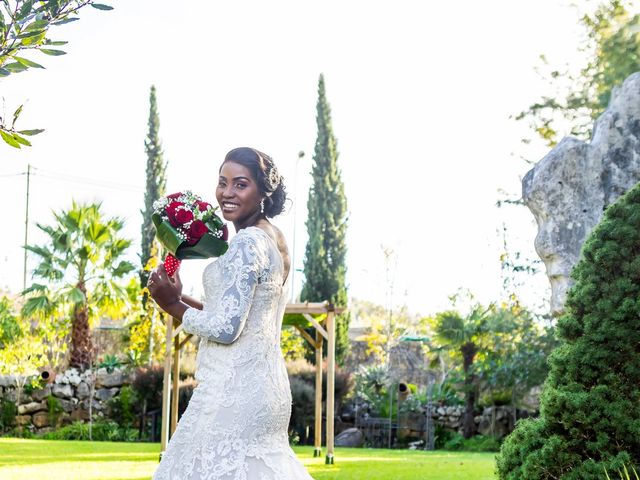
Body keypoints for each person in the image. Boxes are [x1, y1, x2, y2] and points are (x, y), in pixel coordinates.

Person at [148, 147, 313, 479]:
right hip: (266, 388)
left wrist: (171, 305)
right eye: (222, 183)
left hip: (233, 389)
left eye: (240, 184)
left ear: (263, 190)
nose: (226, 193)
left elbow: (226, 328)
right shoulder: (274, 238)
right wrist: (183, 299)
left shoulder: (246, 243)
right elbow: (237, 314)